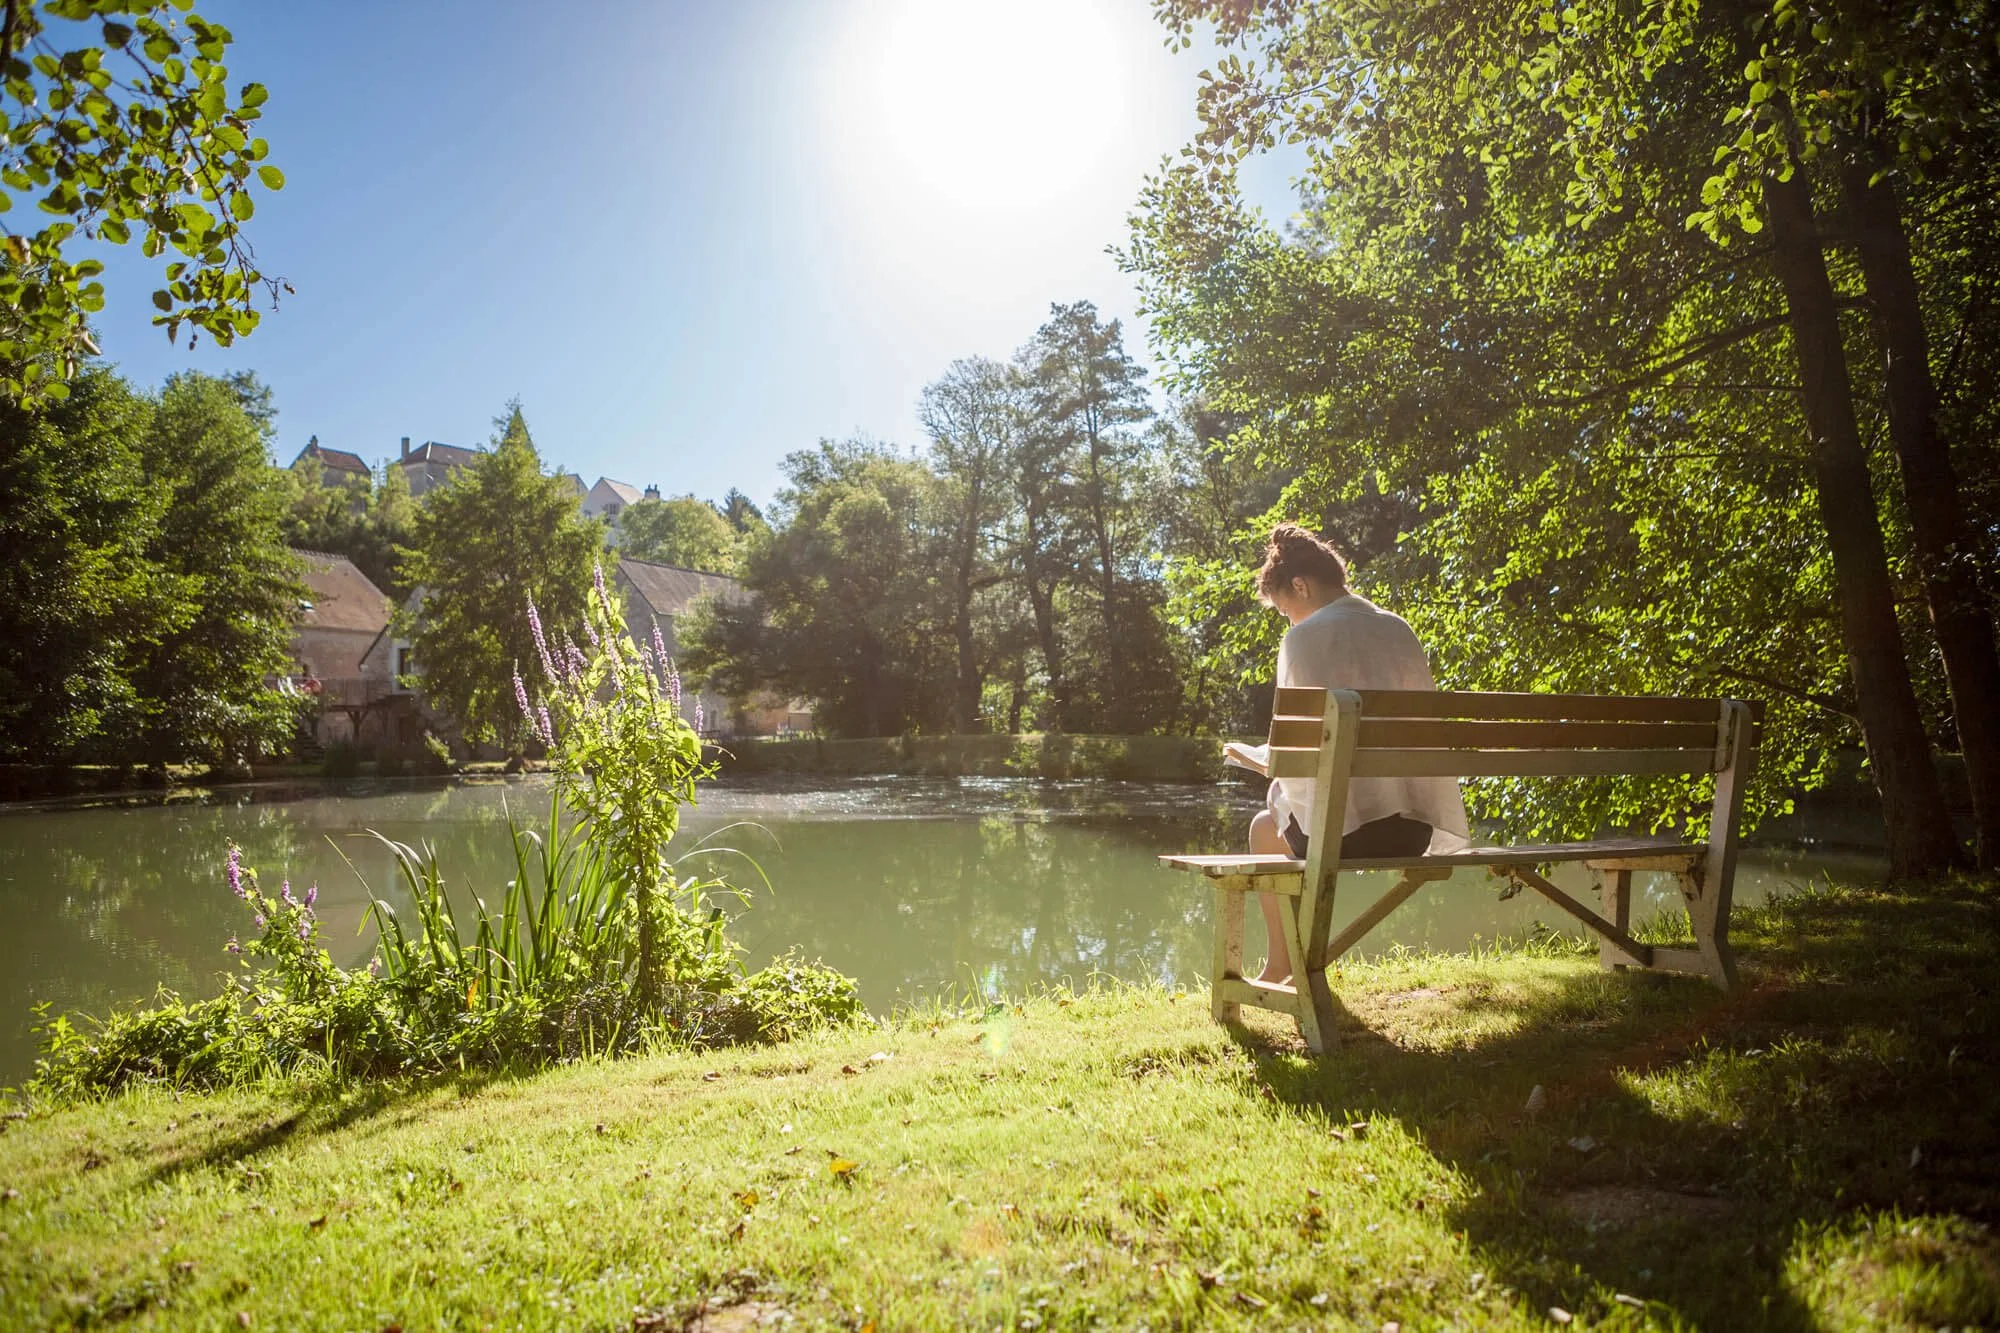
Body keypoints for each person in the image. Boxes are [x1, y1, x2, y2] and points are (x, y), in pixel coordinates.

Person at [1243, 523, 1469, 984]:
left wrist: (1255, 758)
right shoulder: (1398, 629)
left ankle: (1284, 966)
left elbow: (1294, 760)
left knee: (1264, 828)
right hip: (1411, 831)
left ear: (1301, 585)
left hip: (1342, 838)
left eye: (1286, 608)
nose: (1288, 621)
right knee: (1281, 820)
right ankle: (1297, 967)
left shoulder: (1302, 641)